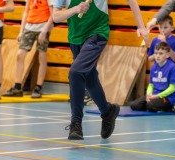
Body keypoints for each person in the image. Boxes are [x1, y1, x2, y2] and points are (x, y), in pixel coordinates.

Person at [53, 0, 149, 140]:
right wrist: (75, 9)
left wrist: (141, 26)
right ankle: (107, 111)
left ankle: (76, 123)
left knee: (75, 72)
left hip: (97, 32)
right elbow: (55, 17)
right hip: (75, 37)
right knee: (90, 79)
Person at [2, 0, 54, 98]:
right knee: (20, 55)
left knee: (41, 55)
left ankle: (38, 87)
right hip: (29, 26)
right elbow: (26, 12)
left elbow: (53, 14)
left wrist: (45, 30)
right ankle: (17, 87)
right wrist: (21, 31)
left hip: (43, 26)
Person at [146, 0, 175, 110]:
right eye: (161, 27)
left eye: (166, 27)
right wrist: (154, 20)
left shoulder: (174, 41)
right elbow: (166, 8)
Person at [130, 42, 175, 112]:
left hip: (168, 97)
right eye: (156, 53)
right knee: (134, 105)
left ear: (167, 55)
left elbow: (172, 88)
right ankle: (154, 105)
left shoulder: (173, 67)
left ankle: (171, 107)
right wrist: (148, 95)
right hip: (154, 95)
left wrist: (157, 96)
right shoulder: (153, 67)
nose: (157, 56)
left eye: (161, 53)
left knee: (150, 106)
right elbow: (151, 85)